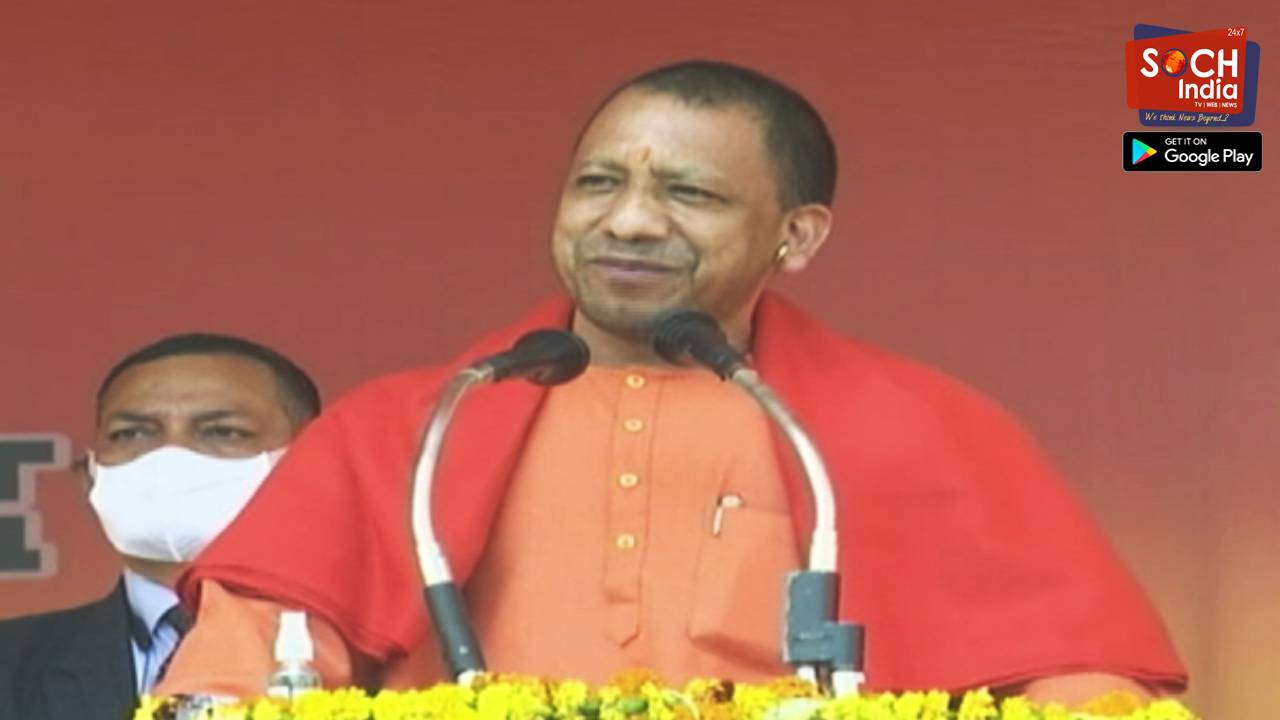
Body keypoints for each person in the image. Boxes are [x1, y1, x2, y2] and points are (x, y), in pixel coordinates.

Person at [160, 61, 1187, 704]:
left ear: (796, 236)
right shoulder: (411, 425)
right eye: (599, 183)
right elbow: (250, 655)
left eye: (688, 193)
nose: (630, 221)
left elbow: (1081, 678)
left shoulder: (919, 427)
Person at [0, 334, 321, 720]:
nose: (169, 460)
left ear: (313, 468)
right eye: (132, 434)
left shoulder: (378, 658)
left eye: (222, 431)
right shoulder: (11, 664)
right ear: (89, 479)